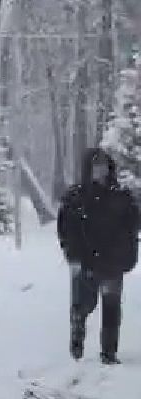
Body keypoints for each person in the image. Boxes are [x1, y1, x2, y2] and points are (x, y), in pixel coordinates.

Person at [57, 148, 140, 363]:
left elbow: (131, 227)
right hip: (85, 258)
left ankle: (109, 353)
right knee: (83, 304)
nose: (100, 170)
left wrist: (128, 254)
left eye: (104, 165)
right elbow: (66, 227)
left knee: (111, 307)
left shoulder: (121, 196)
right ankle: (77, 337)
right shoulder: (76, 196)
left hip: (112, 259)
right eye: (96, 166)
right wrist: (73, 255)